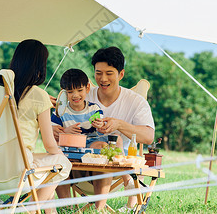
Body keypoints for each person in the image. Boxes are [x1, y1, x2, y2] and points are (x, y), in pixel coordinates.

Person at [52, 46, 155, 211]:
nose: (103, 79)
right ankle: (67, 209)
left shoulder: (135, 101)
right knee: (57, 157)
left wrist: (119, 125)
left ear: (121, 74)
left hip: (113, 168)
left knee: (106, 153)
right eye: (98, 73)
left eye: (109, 73)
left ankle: (101, 207)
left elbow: (149, 137)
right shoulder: (83, 95)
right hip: (75, 163)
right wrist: (55, 129)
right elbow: (60, 112)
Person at [10, 39, 72, 214]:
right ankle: (32, 209)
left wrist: (43, 103)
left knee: (50, 171)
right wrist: (62, 156)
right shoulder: (39, 95)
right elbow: (50, 146)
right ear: (40, 66)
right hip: (18, 170)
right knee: (62, 164)